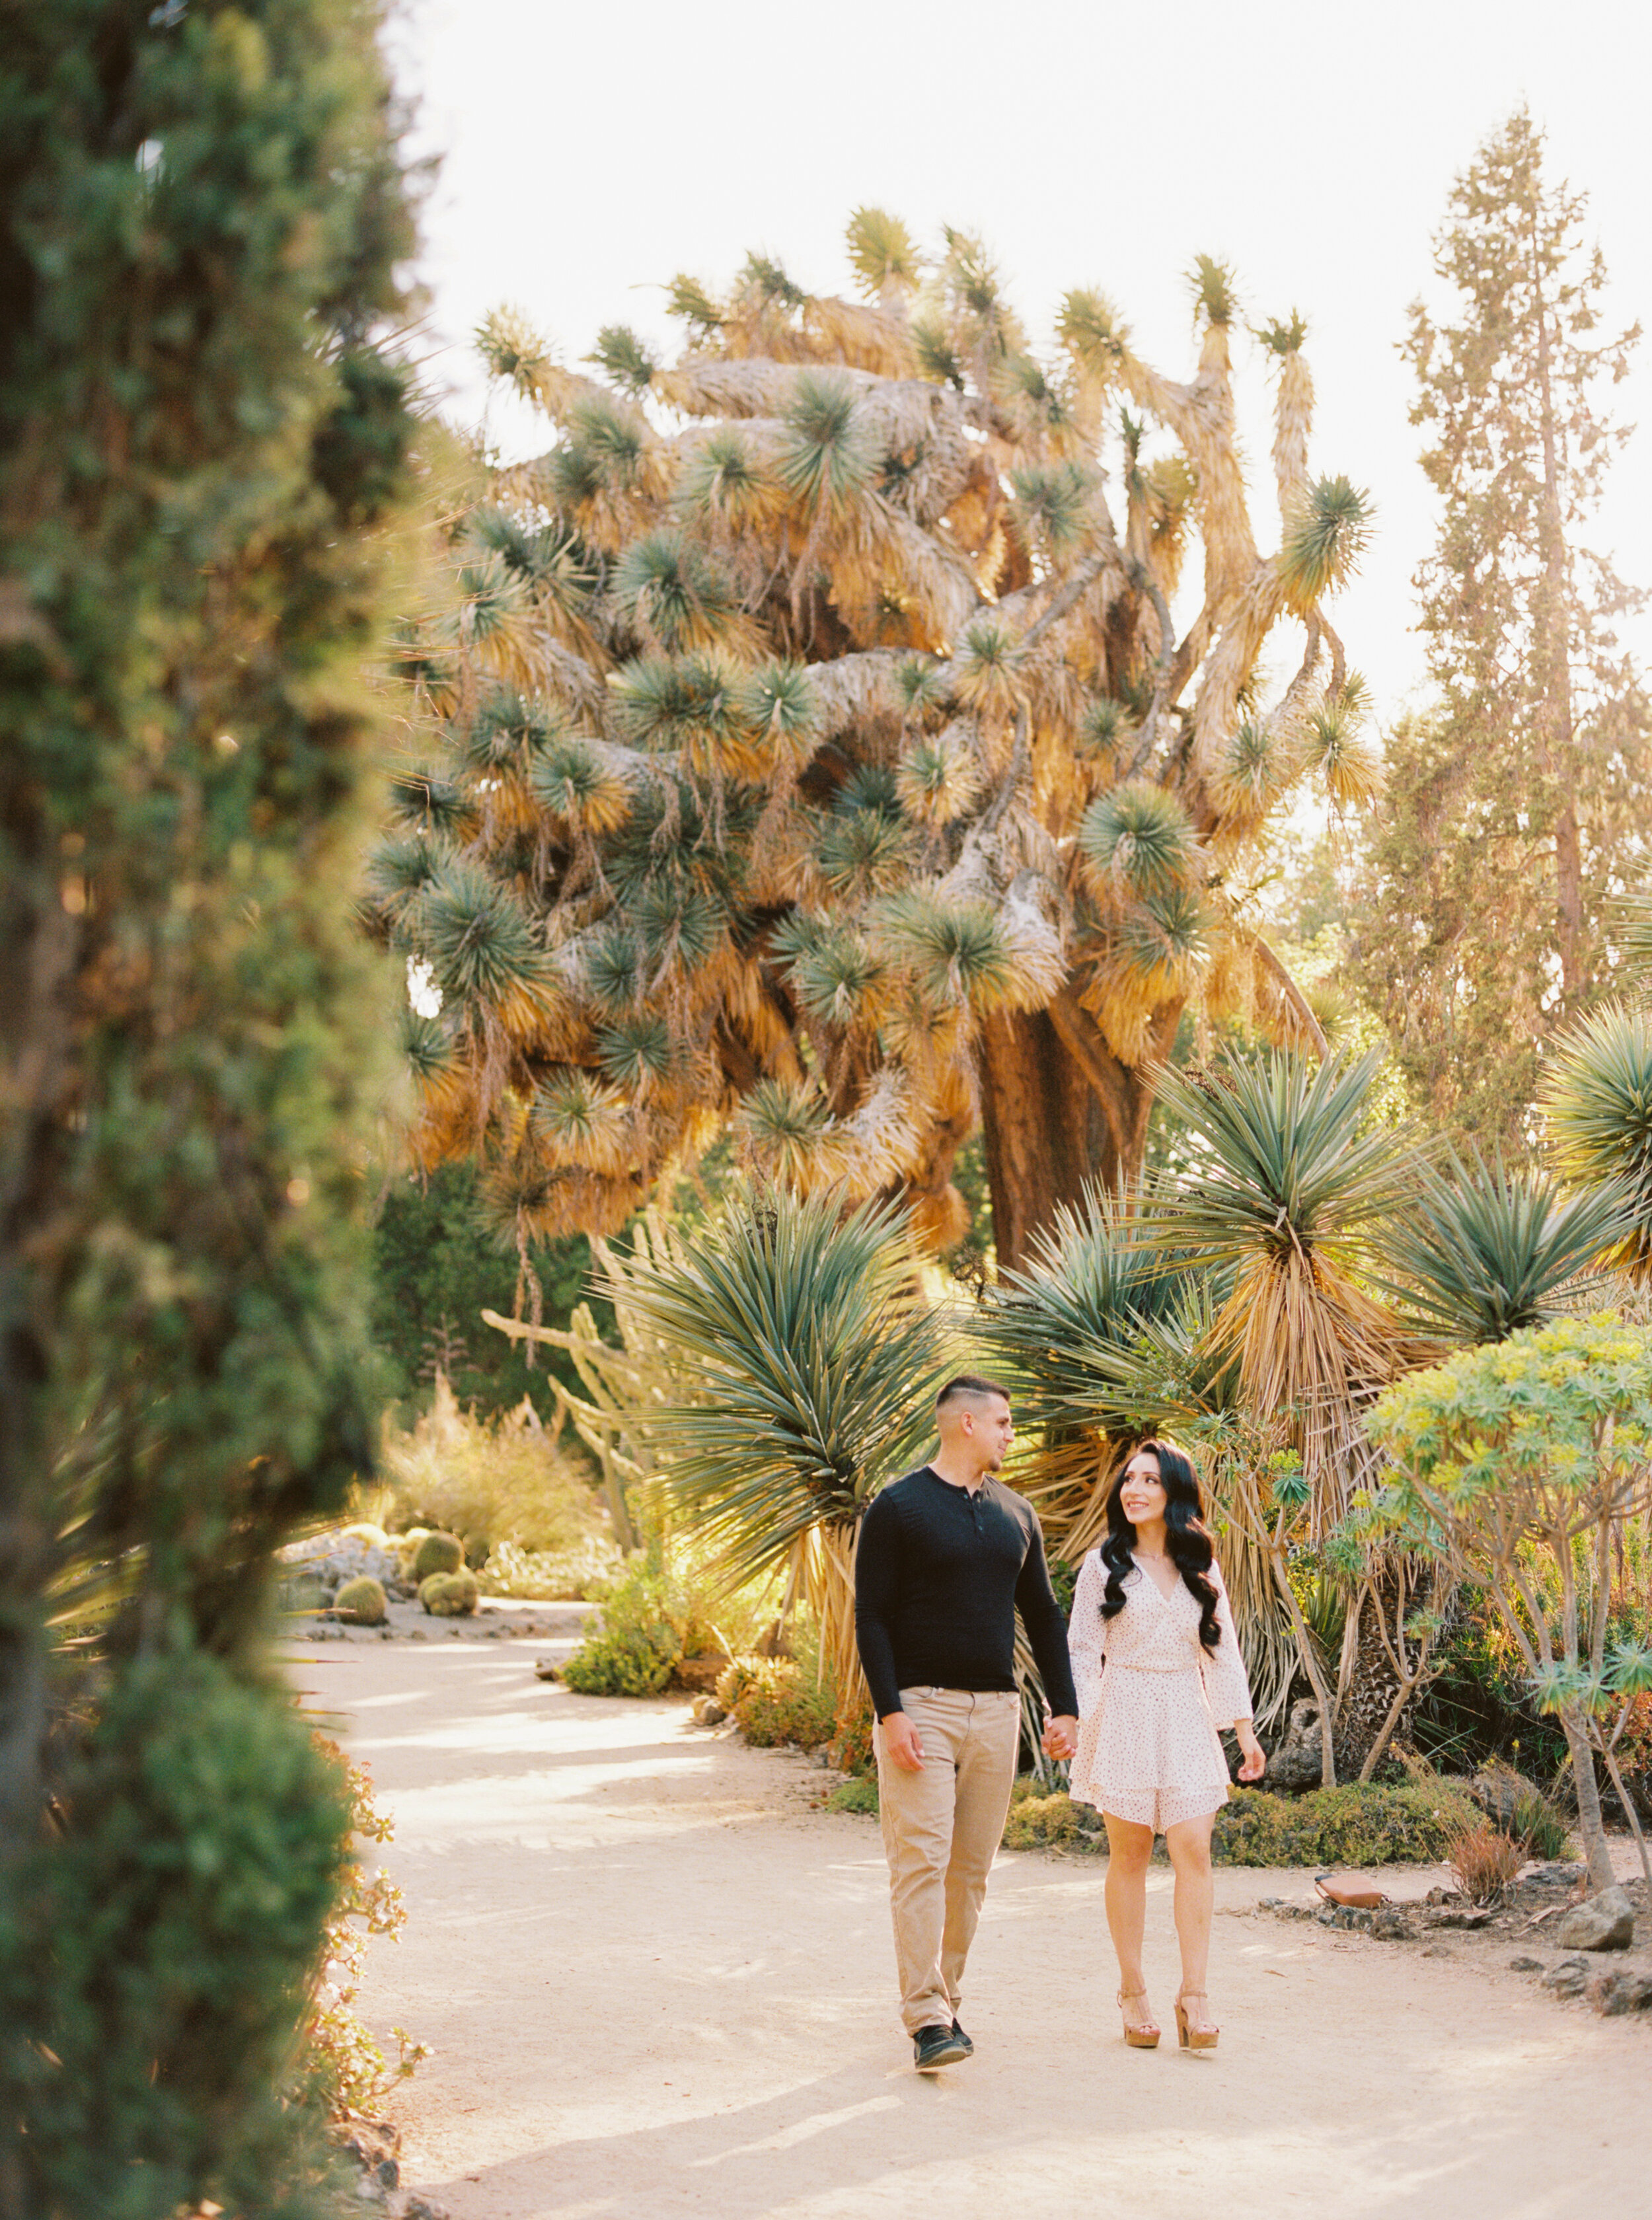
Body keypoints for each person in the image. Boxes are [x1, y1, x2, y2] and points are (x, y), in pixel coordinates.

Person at [854, 1374, 1078, 2072]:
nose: (1013, 1434)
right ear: (965, 1426)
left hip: (997, 1712)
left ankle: (945, 2002)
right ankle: (924, 2017)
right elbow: (870, 1615)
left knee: (970, 1871)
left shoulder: (1018, 1512)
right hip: (923, 1708)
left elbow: (1041, 1613)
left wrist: (1064, 1704)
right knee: (919, 1860)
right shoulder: (897, 1507)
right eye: (1005, 1422)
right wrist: (890, 1711)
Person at [1067, 1436, 1265, 2052]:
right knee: (1129, 1856)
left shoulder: (1201, 1565)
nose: (1133, 1489)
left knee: (1193, 1852)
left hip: (1186, 1713)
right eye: (1129, 1479)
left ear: (1173, 1491)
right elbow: (1080, 1648)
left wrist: (1243, 1731)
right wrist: (1091, 1716)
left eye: (1149, 1480)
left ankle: (1196, 1993)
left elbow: (1222, 1649)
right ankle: (1133, 1993)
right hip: (1123, 1709)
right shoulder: (1103, 1564)